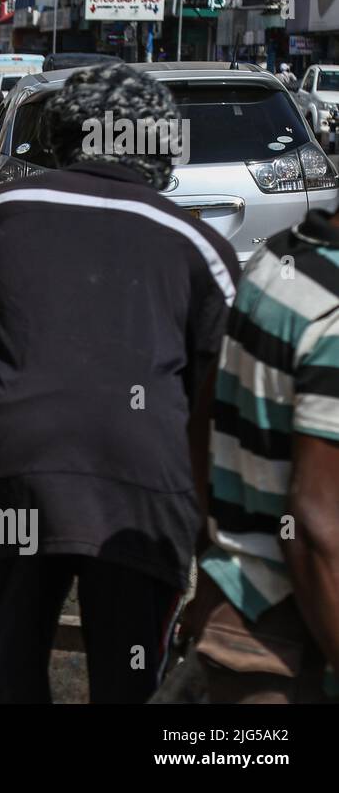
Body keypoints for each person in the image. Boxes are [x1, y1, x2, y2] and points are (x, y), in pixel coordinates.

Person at [0, 63, 241, 703]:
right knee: (132, 684)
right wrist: (218, 571)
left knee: (8, 675)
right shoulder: (198, 246)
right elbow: (214, 426)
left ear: (59, 136)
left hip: (15, 478)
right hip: (144, 495)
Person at [162, 208, 339, 703]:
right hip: (294, 646)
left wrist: (213, 558)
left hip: (239, 615)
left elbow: (204, 418)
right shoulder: (333, 316)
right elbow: (315, 529)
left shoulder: (281, 258)